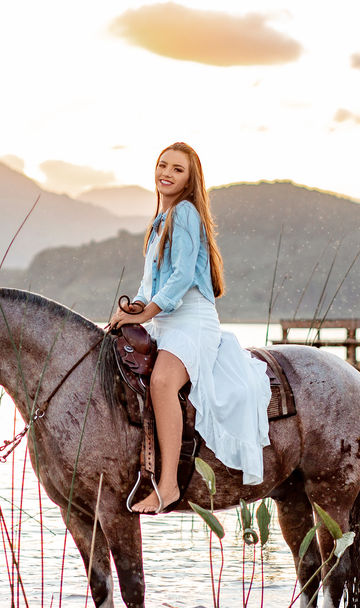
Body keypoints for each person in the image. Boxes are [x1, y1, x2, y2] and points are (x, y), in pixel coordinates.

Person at [107, 142, 272, 514]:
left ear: (189, 179)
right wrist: (132, 308)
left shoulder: (185, 213)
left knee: (163, 382)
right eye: (162, 165)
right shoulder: (158, 222)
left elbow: (181, 277)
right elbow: (150, 283)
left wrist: (145, 314)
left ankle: (168, 486)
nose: (166, 173)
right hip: (166, 320)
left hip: (192, 321)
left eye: (177, 169)